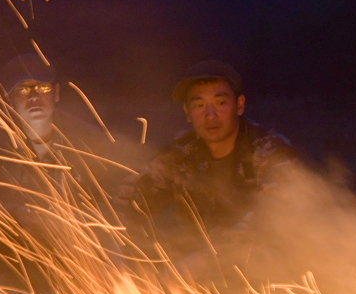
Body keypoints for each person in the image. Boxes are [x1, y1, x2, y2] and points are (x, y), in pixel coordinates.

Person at [124, 60, 297, 270]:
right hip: (193, 270)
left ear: (239, 105)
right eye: (199, 106)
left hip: (265, 273)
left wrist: (203, 261)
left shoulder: (269, 151)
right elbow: (129, 200)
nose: (210, 115)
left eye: (220, 103)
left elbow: (274, 215)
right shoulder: (181, 154)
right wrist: (112, 242)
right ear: (188, 112)